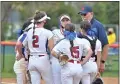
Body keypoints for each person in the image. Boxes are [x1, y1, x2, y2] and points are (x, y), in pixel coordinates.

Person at [16, 11, 54, 84]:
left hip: (32, 60)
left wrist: (20, 54)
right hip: (43, 59)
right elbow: (51, 48)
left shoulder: (29, 32)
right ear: (44, 21)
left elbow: (19, 44)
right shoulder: (48, 32)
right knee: (51, 82)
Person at [78, 5, 109, 73]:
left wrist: (102, 62)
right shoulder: (81, 26)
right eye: (81, 14)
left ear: (91, 14)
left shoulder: (98, 25)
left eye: (85, 14)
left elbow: (105, 44)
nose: (83, 16)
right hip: (82, 60)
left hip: (94, 60)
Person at [51, 14, 71, 84]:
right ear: (60, 22)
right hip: (56, 59)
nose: (65, 22)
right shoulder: (55, 32)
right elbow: (52, 46)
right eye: (63, 20)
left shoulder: (74, 33)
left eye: (67, 20)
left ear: (70, 21)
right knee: (57, 80)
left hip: (69, 59)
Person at [13, 17, 33, 84]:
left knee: (28, 81)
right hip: (22, 62)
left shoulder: (29, 35)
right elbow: (18, 45)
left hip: (26, 62)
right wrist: (21, 54)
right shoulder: (26, 34)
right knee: (23, 81)